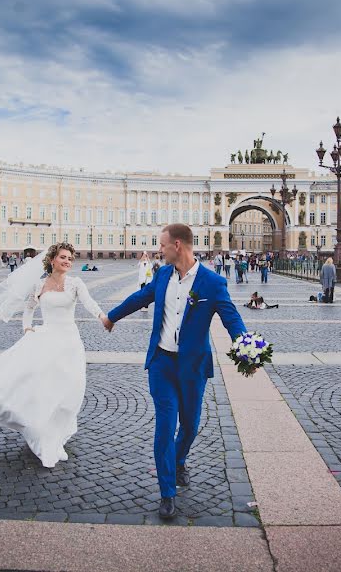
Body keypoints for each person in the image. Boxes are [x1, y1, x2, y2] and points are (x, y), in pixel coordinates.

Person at [103, 223, 248, 520]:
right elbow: (140, 298)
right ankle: (167, 493)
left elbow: (232, 319)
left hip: (192, 367)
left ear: (178, 245)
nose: (159, 250)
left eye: (163, 245)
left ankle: (180, 459)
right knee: (165, 426)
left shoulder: (212, 282)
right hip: (162, 363)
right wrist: (112, 317)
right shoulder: (163, 274)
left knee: (190, 426)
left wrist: (248, 349)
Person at [0, 243, 109, 469]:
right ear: (52, 259)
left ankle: (58, 435)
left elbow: (89, 303)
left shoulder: (75, 283)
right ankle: (45, 437)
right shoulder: (40, 284)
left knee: (71, 391)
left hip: (69, 342)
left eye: (70, 258)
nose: (67, 261)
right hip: (47, 339)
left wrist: (102, 316)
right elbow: (29, 309)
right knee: (45, 390)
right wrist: (27, 328)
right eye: (63, 257)